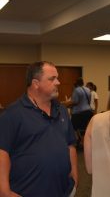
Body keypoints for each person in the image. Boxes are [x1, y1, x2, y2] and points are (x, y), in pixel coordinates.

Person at [0, 61, 78, 197]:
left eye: (57, 77)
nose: (58, 82)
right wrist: (4, 191)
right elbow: (2, 153)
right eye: (52, 79)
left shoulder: (62, 110)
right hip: (26, 191)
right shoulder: (12, 114)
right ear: (36, 83)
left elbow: (70, 145)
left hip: (63, 191)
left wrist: (75, 180)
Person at [64, 77, 93, 146]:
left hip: (79, 113)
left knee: (73, 128)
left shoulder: (77, 90)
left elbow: (75, 102)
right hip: (88, 111)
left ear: (76, 83)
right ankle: (84, 142)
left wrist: (64, 104)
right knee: (84, 129)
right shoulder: (88, 89)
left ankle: (76, 142)